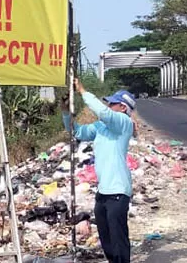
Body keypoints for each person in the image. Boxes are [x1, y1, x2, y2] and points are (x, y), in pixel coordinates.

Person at [60, 78, 136, 263]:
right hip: (103, 192)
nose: (108, 105)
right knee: (106, 238)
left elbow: (103, 113)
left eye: (112, 103)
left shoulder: (124, 123)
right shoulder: (101, 128)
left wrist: (82, 90)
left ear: (123, 107)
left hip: (118, 191)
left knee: (118, 239)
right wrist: (65, 113)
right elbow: (77, 132)